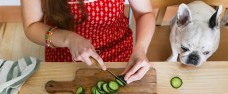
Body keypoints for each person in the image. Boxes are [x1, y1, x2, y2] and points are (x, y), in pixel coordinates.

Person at [20, 0, 155, 84]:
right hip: (64, 55)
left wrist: (140, 49)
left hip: (118, 51)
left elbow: (145, 13)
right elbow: (31, 26)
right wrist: (69, 39)